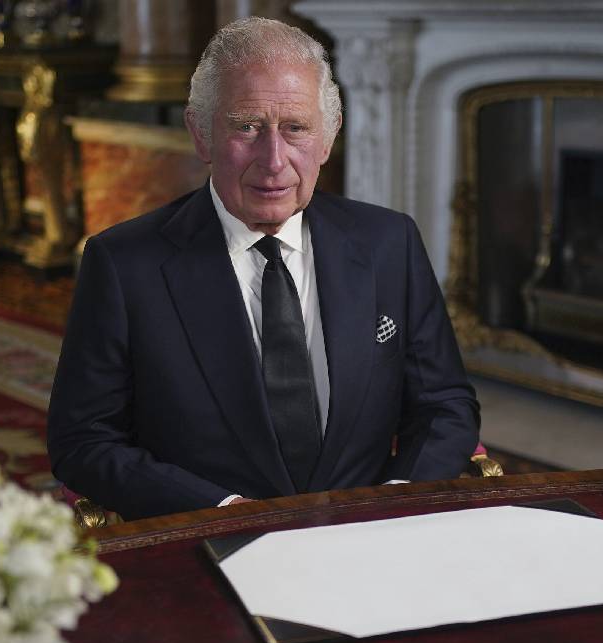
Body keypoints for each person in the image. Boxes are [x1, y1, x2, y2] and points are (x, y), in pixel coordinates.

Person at [46, 17, 480, 520]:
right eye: (246, 127)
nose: (274, 160)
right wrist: (221, 510)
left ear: (328, 137)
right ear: (201, 135)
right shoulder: (124, 264)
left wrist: (396, 497)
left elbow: (445, 403)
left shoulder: (390, 243)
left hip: (371, 539)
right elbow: (82, 440)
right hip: (208, 545)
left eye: (295, 128)